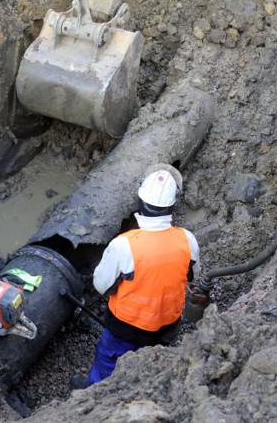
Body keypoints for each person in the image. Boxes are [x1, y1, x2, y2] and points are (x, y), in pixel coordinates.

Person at [78, 164, 200, 388]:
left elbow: (101, 285)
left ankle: (92, 395)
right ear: (172, 205)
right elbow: (192, 277)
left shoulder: (124, 245)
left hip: (126, 328)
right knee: (148, 366)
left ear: (141, 201)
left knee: (107, 365)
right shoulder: (188, 240)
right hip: (166, 327)